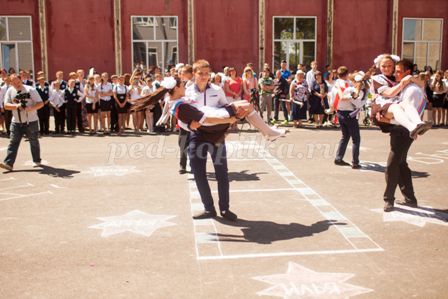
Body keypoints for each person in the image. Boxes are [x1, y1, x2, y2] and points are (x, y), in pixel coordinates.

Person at [380, 59, 426, 212]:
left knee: (392, 164)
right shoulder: (407, 85)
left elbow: (409, 109)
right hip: (401, 129)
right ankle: (410, 198)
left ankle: (389, 200)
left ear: (407, 72)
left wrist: (388, 118)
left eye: (398, 71)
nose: (395, 73)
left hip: (404, 131)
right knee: (401, 163)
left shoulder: (412, 88)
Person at [371, 54, 432, 139]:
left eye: (389, 66)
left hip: (398, 113)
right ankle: (413, 128)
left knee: (406, 104)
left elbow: (421, 83)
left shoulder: (398, 76)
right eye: (383, 66)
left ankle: (419, 124)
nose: (386, 68)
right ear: (379, 66)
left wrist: (410, 78)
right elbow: (389, 93)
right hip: (381, 107)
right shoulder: (377, 79)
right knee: (396, 107)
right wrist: (403, 82)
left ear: (394, 66)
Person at [0, 74, 43, 171]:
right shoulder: (10, 91)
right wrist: (16, 106)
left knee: (33, 141)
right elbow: (6, 105)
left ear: (21, 80)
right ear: (11, 83)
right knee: (13, 142)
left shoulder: (30, 89)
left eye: (18, 82)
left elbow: (40, 103)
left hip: (31, 121)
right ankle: (9, 164)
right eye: (14, 83)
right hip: (16, 122)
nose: (17, 84)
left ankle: (36, 160)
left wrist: (31, 108)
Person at [333, 66, 362, 169]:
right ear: (346, 74)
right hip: (348, 113)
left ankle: (338, 158)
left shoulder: (337, 82)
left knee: (345, 136)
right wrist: (354, 96)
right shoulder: (344, 84)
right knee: (356, 139)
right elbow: (343, 96)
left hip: (340, 112)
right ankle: (355, 162)